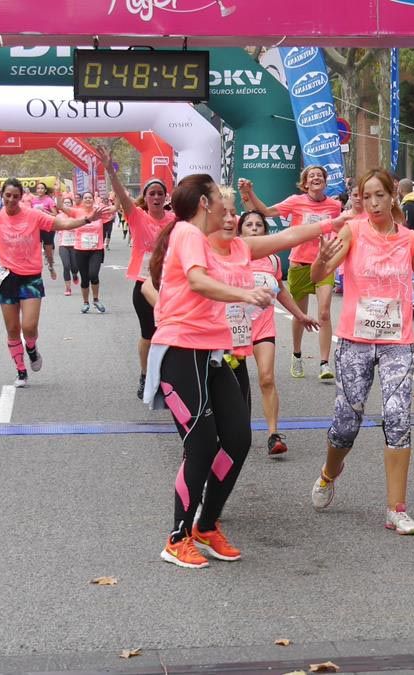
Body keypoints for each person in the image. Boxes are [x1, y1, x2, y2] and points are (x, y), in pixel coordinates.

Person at [142, 174, 347, 569]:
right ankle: (176, 538)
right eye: (223, 201)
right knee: (200, 445)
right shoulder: (186, 233)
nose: (229, 209)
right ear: (205, 203)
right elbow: (197, 281)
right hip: (182, 352)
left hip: (215, 353)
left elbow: (287, 238)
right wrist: (243, 294)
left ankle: (206, 525)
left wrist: (332, 223)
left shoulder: (238, 247)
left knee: (237, 440)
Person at [307, 168, 414, 536]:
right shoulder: (352, 231)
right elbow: (319, 274)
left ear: (392, 196)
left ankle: (396, 509)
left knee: (398, 415)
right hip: (355, 339)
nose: (372, 203)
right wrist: (321, 259)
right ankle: (328, 473)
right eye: (366, 197)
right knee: (346, 422)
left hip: (397, 341)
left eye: (379, 195)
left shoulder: (410, 239)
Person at [0, 172, 110, 387]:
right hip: (6, 279)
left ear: (21, 197)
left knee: (28, 327)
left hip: (30, 278)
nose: (11, 200)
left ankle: (31, 348)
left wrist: (87, 219)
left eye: (15, 196)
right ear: (2, 196)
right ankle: (21, 371)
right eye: (7, 196)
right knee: (12, 329)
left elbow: (61, 224)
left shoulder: (33, 215)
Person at [238, 166, 342, 383]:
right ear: (305, 183)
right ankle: (297, 354)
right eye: (311, 176)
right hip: (300, 263)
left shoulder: (335, 206)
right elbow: (267, 212)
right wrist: (249, 194)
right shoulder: (295, 201)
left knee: (324, 312)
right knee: (300, 313)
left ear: (325, 181)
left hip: (323, 263)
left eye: (319, 176)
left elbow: (343, 231)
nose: (316, 178)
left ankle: (324, 363)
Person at [239, 209, 321, 455]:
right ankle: (234, 431)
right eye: (249, 225)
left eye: (258, 225)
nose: (254, 228)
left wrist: (300, 315)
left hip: (263, 325)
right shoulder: (231, 255)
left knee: (266, 378)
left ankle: (273, 434)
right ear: (240, 229)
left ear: (265, 231)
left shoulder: (273, 260)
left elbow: (280, 290)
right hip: (235, 328)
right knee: (235, 385)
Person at [99, 147, 176, 399]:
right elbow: (121, 194)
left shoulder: (175, 220)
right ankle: (145, 375)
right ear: (145, 197)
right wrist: (111, 171)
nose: (156, 197)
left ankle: (167, 377)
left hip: (171, 285)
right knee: (148, 333)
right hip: (143, 284)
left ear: (166, 197)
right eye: (151, 193)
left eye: (160, 193)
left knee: (171, 333)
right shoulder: (137, 216)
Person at [62, 192, 109, 313]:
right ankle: (85, 303)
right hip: (80, 250)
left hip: (96, 250)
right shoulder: (76, 211)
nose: (88, 199)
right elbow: (60, 206)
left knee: (93, 274)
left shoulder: (99, 211)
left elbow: (114, 208)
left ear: (93, 200)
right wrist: (57, 193)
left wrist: (118, 195)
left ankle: (96, 300)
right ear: (82, 200)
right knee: (84, 278)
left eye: (90, 197)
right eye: (86, 198)